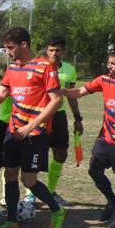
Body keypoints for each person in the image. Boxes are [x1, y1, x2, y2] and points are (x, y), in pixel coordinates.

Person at [0, 27, 67, 228]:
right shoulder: (12, 69)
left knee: (28, 181)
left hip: (35, 134)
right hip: (13, 132)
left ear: (24, 45)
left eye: (10, 48)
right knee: (9, 174)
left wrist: (31, 126)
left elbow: (56, 100)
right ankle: (11, 223)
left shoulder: (45, 66)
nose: (7, 52)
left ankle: (57, 211)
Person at [59, 48, 115, 228]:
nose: (109, 66)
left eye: (114, 63)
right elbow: (79, 91)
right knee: (94, 171)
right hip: (105, 139)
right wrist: (58, 90)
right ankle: (111, 201)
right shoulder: (105, 80)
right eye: (109, 63)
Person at [24, 37, 79, 207]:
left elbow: (71, 95)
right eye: (51, 50)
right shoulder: (38, 67)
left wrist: (77, 117)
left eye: (58, 50)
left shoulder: (69, 70)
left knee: (61, 155)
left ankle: (50, 191)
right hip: (39, 116)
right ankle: (30, 193)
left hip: (59, 117)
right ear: (47, 51)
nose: (55, 53)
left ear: (63, 51)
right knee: (35, 154)